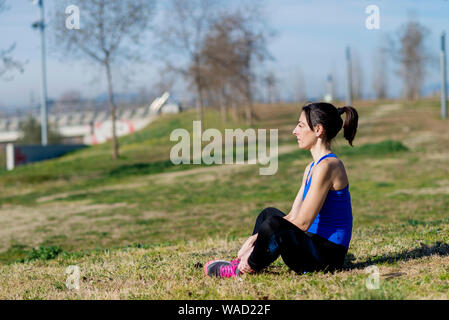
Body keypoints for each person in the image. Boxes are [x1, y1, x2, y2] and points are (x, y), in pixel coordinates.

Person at [204, 102, 359, 278]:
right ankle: (247, 261)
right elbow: (294, 215)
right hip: (312, 243)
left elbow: (302, 223)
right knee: (268, 215)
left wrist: (255, 238)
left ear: (318, 130)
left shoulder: (329, 166)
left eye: (300, 125)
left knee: (273, 224)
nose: (295, 131)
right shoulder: (311, 168)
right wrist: (255, 240)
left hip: (327, 257)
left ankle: (243, 268)